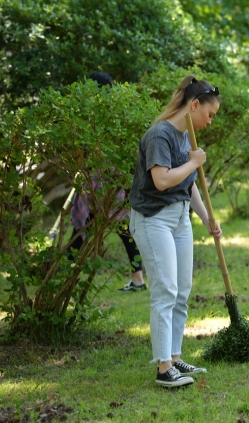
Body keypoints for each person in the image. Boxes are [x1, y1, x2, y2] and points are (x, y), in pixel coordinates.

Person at [129, 75, 222, 388]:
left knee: (182, 289)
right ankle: (163, 367)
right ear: (194, 105)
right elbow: (163, 180)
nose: (210, 122)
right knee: (165, 289)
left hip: (180, 218)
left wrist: (208, 218)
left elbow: (187, 185)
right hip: (153, 219)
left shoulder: (186, 135)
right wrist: (194, 163)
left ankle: (174, 354)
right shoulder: (160, 135)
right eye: (209, 115)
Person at [67, 72, 147, 292]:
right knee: (120, 227)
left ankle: (64, 269)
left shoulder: (97, 114)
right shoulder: (117, 112)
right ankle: (138, 279)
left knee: (83, 223)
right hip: (112, 179)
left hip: (102, 179)